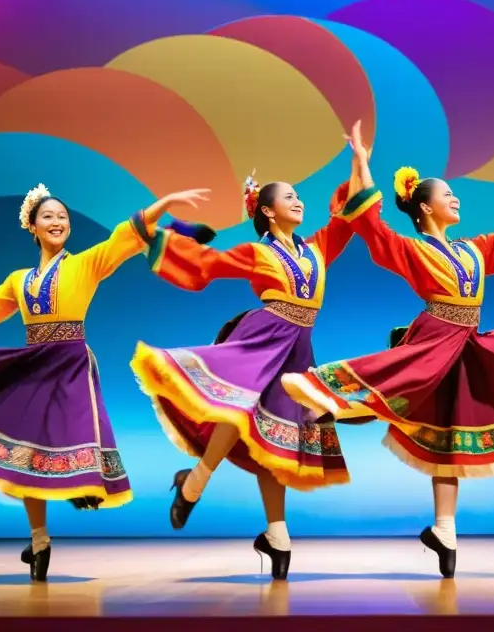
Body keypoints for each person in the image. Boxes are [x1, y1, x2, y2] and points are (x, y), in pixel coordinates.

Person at [281, 125, 494, 578]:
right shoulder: (412, 249)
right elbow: (371, 226)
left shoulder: (475, 250)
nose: (456, 199)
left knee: (451, 431)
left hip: (466, 345)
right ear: (426, 207)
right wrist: (361, 163)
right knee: (392, 380)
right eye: (448, 194)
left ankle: (444, 529)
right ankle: (325, 401)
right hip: (436, 338)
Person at [0, 183, 211, 581]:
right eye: (49, 217)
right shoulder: (19, 280)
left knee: (70, 438)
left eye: (63, 218)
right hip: (33, 363)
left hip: (70, 363)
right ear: (33, 227)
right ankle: (39, 542)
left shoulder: (86, 263)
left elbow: (124, 237)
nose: (57, 222)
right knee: (27, 453)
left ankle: (83, 487)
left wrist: (166, 205)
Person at [130, 124, 368, 581]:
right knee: (240, 412)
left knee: (274, 440)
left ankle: (276, 535)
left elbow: (346, 219)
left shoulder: (316, 248)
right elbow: (204, 263)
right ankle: (197, 481)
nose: (299, 201)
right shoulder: (255, 254)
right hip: (264, 338)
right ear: (267, 211)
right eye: (289, 197)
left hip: (299, 349)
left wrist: (359, 162)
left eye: (300, 197)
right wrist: (152, 235)